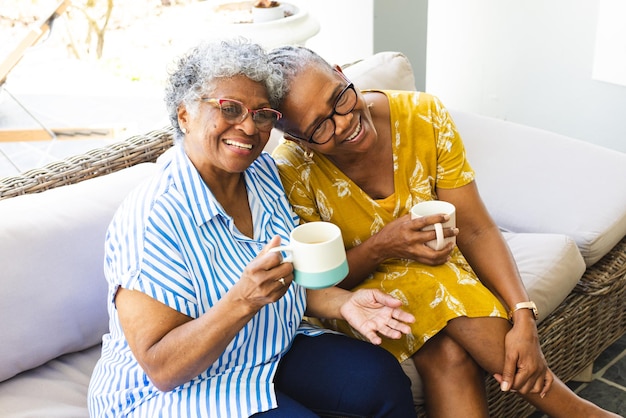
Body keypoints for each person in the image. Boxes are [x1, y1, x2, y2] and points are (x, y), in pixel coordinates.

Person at [269, 45, 622, 418]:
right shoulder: (292, 168)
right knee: (434, 289)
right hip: (365, 297)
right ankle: (579, 412)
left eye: (339, 98)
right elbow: (322, 284)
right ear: (296, 139)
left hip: (444, 272)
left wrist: (523, 316)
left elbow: (476, 230)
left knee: (449, 350)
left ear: (341, 74)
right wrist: (383, 246)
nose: (343, 123)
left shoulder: (424, 115)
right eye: (319, 127)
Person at [87, 38, 418, 418]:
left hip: (263, 349)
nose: (248, 127)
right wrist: (241, 301)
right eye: (229, 109)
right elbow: (162, 368)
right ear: (184, 115)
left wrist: (345, 303)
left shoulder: (261, 173)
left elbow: (288, 283)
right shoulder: (151, 219)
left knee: (380, 379)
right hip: (171, 393)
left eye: (262, 114)